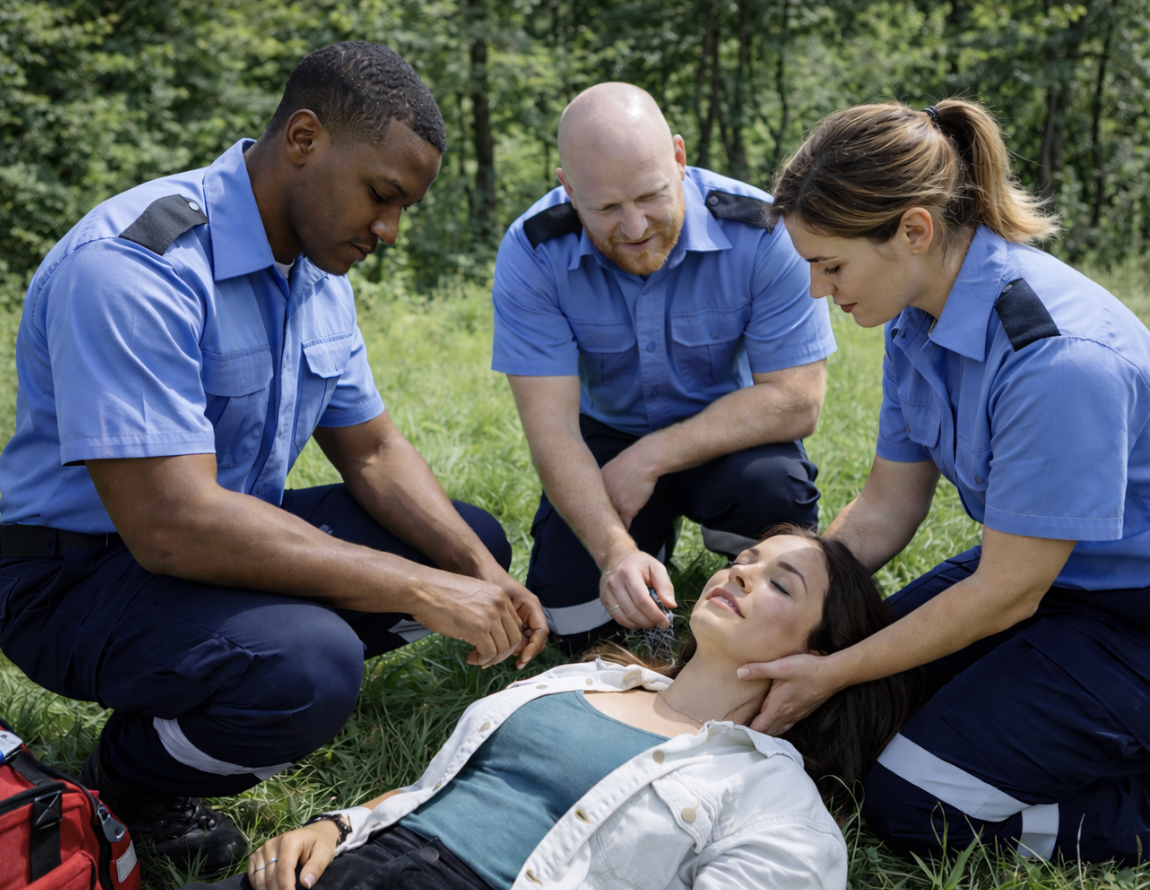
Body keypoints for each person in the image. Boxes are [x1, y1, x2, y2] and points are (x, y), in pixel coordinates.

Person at [0, 41, 547, 871]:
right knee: (310, 665)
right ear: (303, 139)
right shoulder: (135, 265)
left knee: (469, 541)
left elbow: (372, 451)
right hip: (71, 576)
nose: (390, 230)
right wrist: (416, 588)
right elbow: (172, 528)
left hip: (218, 534)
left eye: (405, 208)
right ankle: (136, 778)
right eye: (382, 195)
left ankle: (240, 677)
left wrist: (476, 571)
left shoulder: (316, 265)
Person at [737, 98, 1150, 864]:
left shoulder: (1056, 361)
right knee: (856, 718)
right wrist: (778, 599)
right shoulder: (915, 315)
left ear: (914, 230)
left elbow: (1006, 594)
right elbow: (888, 509)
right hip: (1045, 574)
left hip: (1126, 618)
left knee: (917, 806)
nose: (820, 291)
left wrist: (828, 669)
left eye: (831, 265)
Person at [185, 526, 915, 890]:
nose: (741, 575)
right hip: (356, 860)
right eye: (744, 560)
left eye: (780, 585)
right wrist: (336, 823)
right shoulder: (587, 679)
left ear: (824, 652)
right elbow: (443, 790)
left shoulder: (771, 794)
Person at [492, 83, 836, 653]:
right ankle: (642, 552)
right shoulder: (533, 251)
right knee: (578, 628)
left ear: (679, 159)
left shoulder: (763, 230)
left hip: (726, 433)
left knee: (773, 492)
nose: (633, 228)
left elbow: (798, 398)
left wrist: (649, 459)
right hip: (602, 435)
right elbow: (551, 426)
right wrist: (613, 552)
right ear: (568, 189)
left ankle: (745, 578)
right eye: (604, 208)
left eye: (650, 196)